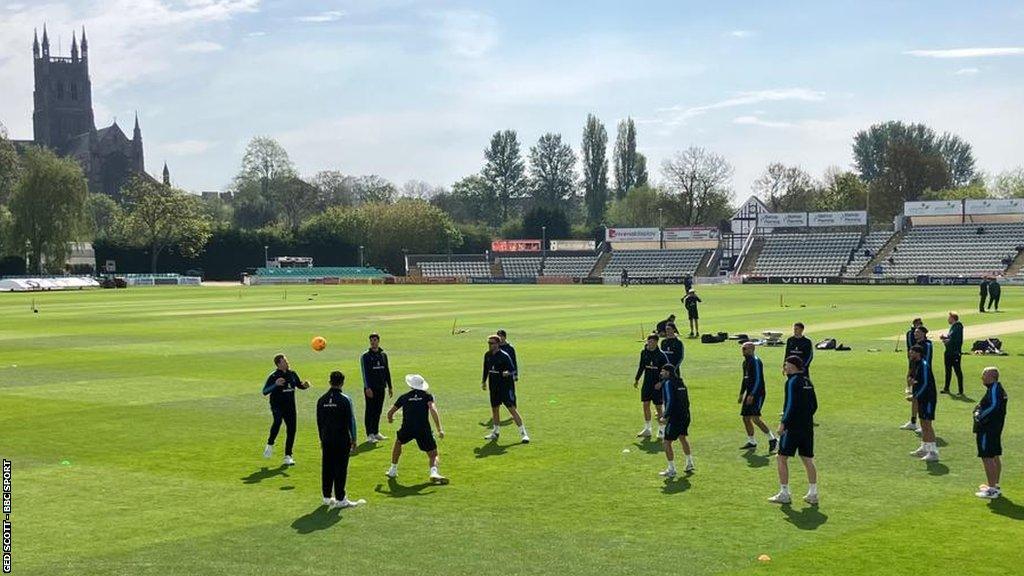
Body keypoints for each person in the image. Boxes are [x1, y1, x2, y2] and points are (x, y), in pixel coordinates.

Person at [768, 356, 818, 505]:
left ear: (793, 366)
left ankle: (784, 493)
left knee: (781, 457)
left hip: (793, 427)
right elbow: (814, 405)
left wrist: (784, 423)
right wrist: (805, 417)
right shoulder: (807, 381)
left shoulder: (792, 381)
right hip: (807, 426)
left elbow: (790, 404)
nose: (785, 366)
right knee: (807, 458)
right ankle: (813, 493)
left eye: (787, 364)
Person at [385, 374, 447, 483]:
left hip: (407, 427)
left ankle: (393, 469)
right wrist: (439, 429)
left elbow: (390, 412)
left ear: (411, 386)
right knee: (433, 454)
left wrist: (390, 419)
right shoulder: (427, 396)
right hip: (423, 428)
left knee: (398, 442)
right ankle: (434, 472)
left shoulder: (404, 397)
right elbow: (433, 410)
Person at [316, 371, 363, 508]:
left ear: (329, 382)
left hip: (326, 439)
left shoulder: (321, 400)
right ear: (342, 382)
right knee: (340, 468)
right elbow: (351, 421)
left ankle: (326, 497)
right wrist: (354, 439)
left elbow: (319, 422)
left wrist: (322, 438)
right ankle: (341, 499)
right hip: (342, 439)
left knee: (327, 466)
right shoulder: (345, 399)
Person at [262, 354, 310, 465]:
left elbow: (299, 385)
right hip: (277, 406)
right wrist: (275, 384)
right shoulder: (274, 376)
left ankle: (288, 456)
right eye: (284, 361)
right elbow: (265, 391)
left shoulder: (292, 374)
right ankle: (270, 444)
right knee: (277, 421)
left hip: (290, 407)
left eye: (287, 361)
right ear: (278, 364)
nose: (287, 363)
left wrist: (305, 385)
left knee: (292, 430)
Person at [481, 335, 530, 443]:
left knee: (512, 409)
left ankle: (524, 434)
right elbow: (485, 369)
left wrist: (508, 373)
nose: (490, 345)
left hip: (504, 387)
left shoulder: (504, 356)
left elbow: (513, 369)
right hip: (493, 387)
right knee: (495, 409)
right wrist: (484, 381)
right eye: (489, 343)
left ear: (498, 344)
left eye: (492, 343)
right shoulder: (487, 355)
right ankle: (496, 432)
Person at [973, 367, 1008, 499]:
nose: (982, 378)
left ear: (992, 376)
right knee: (994, 456)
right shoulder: (996, 388)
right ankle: (994, 485)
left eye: (984, 375)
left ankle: (992, 489)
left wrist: (979, 416)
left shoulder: (994, 389)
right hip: (995, 428)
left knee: (987, 457)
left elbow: (993, 406)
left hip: (988, 428)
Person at [738, 342, 777, 453]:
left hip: (758, 393)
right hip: (750, 393)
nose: (743, 351)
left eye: (745, 349)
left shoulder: (755, 361)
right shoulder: (745, 362)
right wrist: (742, 394)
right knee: (745, 418)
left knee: (755, 418)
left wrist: (752, 394)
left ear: (752, 349)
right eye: (742, 349)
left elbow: (758, 379)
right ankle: (752, 442)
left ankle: (772, 439)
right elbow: (745, 379)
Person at [657, 364, 694, 477]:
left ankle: (671, 469)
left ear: (668, 372)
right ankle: (689, 463)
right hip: (685, 415)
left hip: (675, 417)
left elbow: (671, 401)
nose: (661, 373)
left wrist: (665, 416)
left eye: (663, 372)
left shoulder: (668, 383)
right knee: (682, 438)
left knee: (666, 442)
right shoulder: (681, 382)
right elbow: (686, 401)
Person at [634, 334, 670, 439]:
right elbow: (641, 367)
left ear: (656, 342)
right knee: (645, 405)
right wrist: (637, 379)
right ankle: (647, 429)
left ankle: (662, 430)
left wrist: (661, 382)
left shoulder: (661, 355)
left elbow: (667, 372)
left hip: (657, 385)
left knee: (658, 407)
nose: (649, 343)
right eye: (649, 341)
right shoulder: (644, 353)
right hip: (647, 384)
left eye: (652, 341)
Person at [907, 344, 939, 462]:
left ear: (918, 353)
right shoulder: (916, 364)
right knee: (923, 424)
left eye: (912, 352)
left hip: (928, 399)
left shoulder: (924, 366)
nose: (910, 354)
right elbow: (918, 381)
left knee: (927, 425)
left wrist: (915, 396)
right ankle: (924, 448)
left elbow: (925, 384)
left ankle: (933, 452)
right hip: (922, 398)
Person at [361, 333, 393, 444]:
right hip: (370, 388)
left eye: (375, 340)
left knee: (378, 410)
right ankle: (369, 434)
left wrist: (390, 386)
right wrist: (367, 387)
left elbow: (387, 371)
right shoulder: (365, 356)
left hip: (381, 387)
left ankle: (376, 432)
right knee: (370, 410)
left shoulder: (383, 355)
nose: (373, 342)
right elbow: (364, 373)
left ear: (378, 341)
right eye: (371, 340)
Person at [901, 318, 924, 431]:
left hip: (922, 373)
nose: (915, 333)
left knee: (920, 399)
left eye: (918, 332)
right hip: (916, 369)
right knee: (915, 399)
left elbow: (926, 360)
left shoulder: (926, 344)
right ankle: (913, 421)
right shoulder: (915, 340)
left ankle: (922, 423)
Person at [939, 312, 964, 396]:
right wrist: (945, 338)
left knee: (957, 371)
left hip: (954, 353)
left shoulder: (958, 327)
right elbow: (951, 338)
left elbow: (955, 340)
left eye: (949, 318)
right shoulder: (953, 327)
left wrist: (946, 341)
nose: (948, 319)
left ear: (953, 318)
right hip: (949, 352)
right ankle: (946, 388)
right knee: (948, 371)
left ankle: (960, 390)